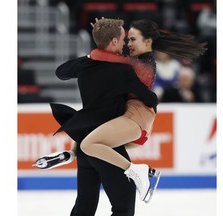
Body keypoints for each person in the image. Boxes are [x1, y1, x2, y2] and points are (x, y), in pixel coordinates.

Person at [35, 18, 207, 203]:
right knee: (92, 140)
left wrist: (102, 38)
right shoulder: (135, 60)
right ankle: (71, 154)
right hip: (131, 115)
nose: (128, 44)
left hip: (136, 116)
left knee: (89, 144)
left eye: (132, 39)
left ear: (147, 42)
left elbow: (103, 56)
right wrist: (104, 35)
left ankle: (137, 170)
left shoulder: (136, 64)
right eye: (127, 39)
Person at [36, 18, 158, 216]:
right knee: (123, 208)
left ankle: (72, 154)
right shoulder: (122, 70)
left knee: (84, 207)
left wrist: (92, 55)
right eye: (122, 39)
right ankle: (135, 169)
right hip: (106, 145)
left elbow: (61, 72)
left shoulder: (85, 65)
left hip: (85, 139)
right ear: (113, 42)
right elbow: (150, 97)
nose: (125, 43)